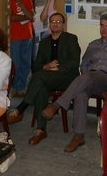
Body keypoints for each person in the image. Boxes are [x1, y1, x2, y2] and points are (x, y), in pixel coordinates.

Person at [42, 14, 107, 152]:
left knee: (87, 78)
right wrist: (85, 77)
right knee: (81, 94)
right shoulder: (93, 45)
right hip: (89, 80)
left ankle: (56, 105)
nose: (104, 29)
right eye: (102, 25)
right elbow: (83, 64)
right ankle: (78, 136)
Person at [6, 13, 81, 145]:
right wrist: (46, 66)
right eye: (52, 21)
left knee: (40, 76)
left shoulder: (71, 39)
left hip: (66, 77)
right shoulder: (44, 42)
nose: (55, 23)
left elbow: (74, 62)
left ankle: (21, 108)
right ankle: (41, 130)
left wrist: (57, 68)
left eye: (58, 21)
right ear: (49, 25)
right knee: (40, 87)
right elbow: (36, 66)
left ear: (63, 25)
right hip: (47, 78)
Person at [10, 0, 35, 97]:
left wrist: (19, 1)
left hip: (27, 34)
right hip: (14, 35)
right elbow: (12, 17)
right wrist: (26, 16)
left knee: (26, 62)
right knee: (15, 62)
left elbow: (32, 16)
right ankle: (13, 86)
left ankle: (22, 86)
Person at [22, 0, 37, 66]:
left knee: (31, 56)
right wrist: (27, 16)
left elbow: (32, 17)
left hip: (30, 29)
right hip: (18, 32)